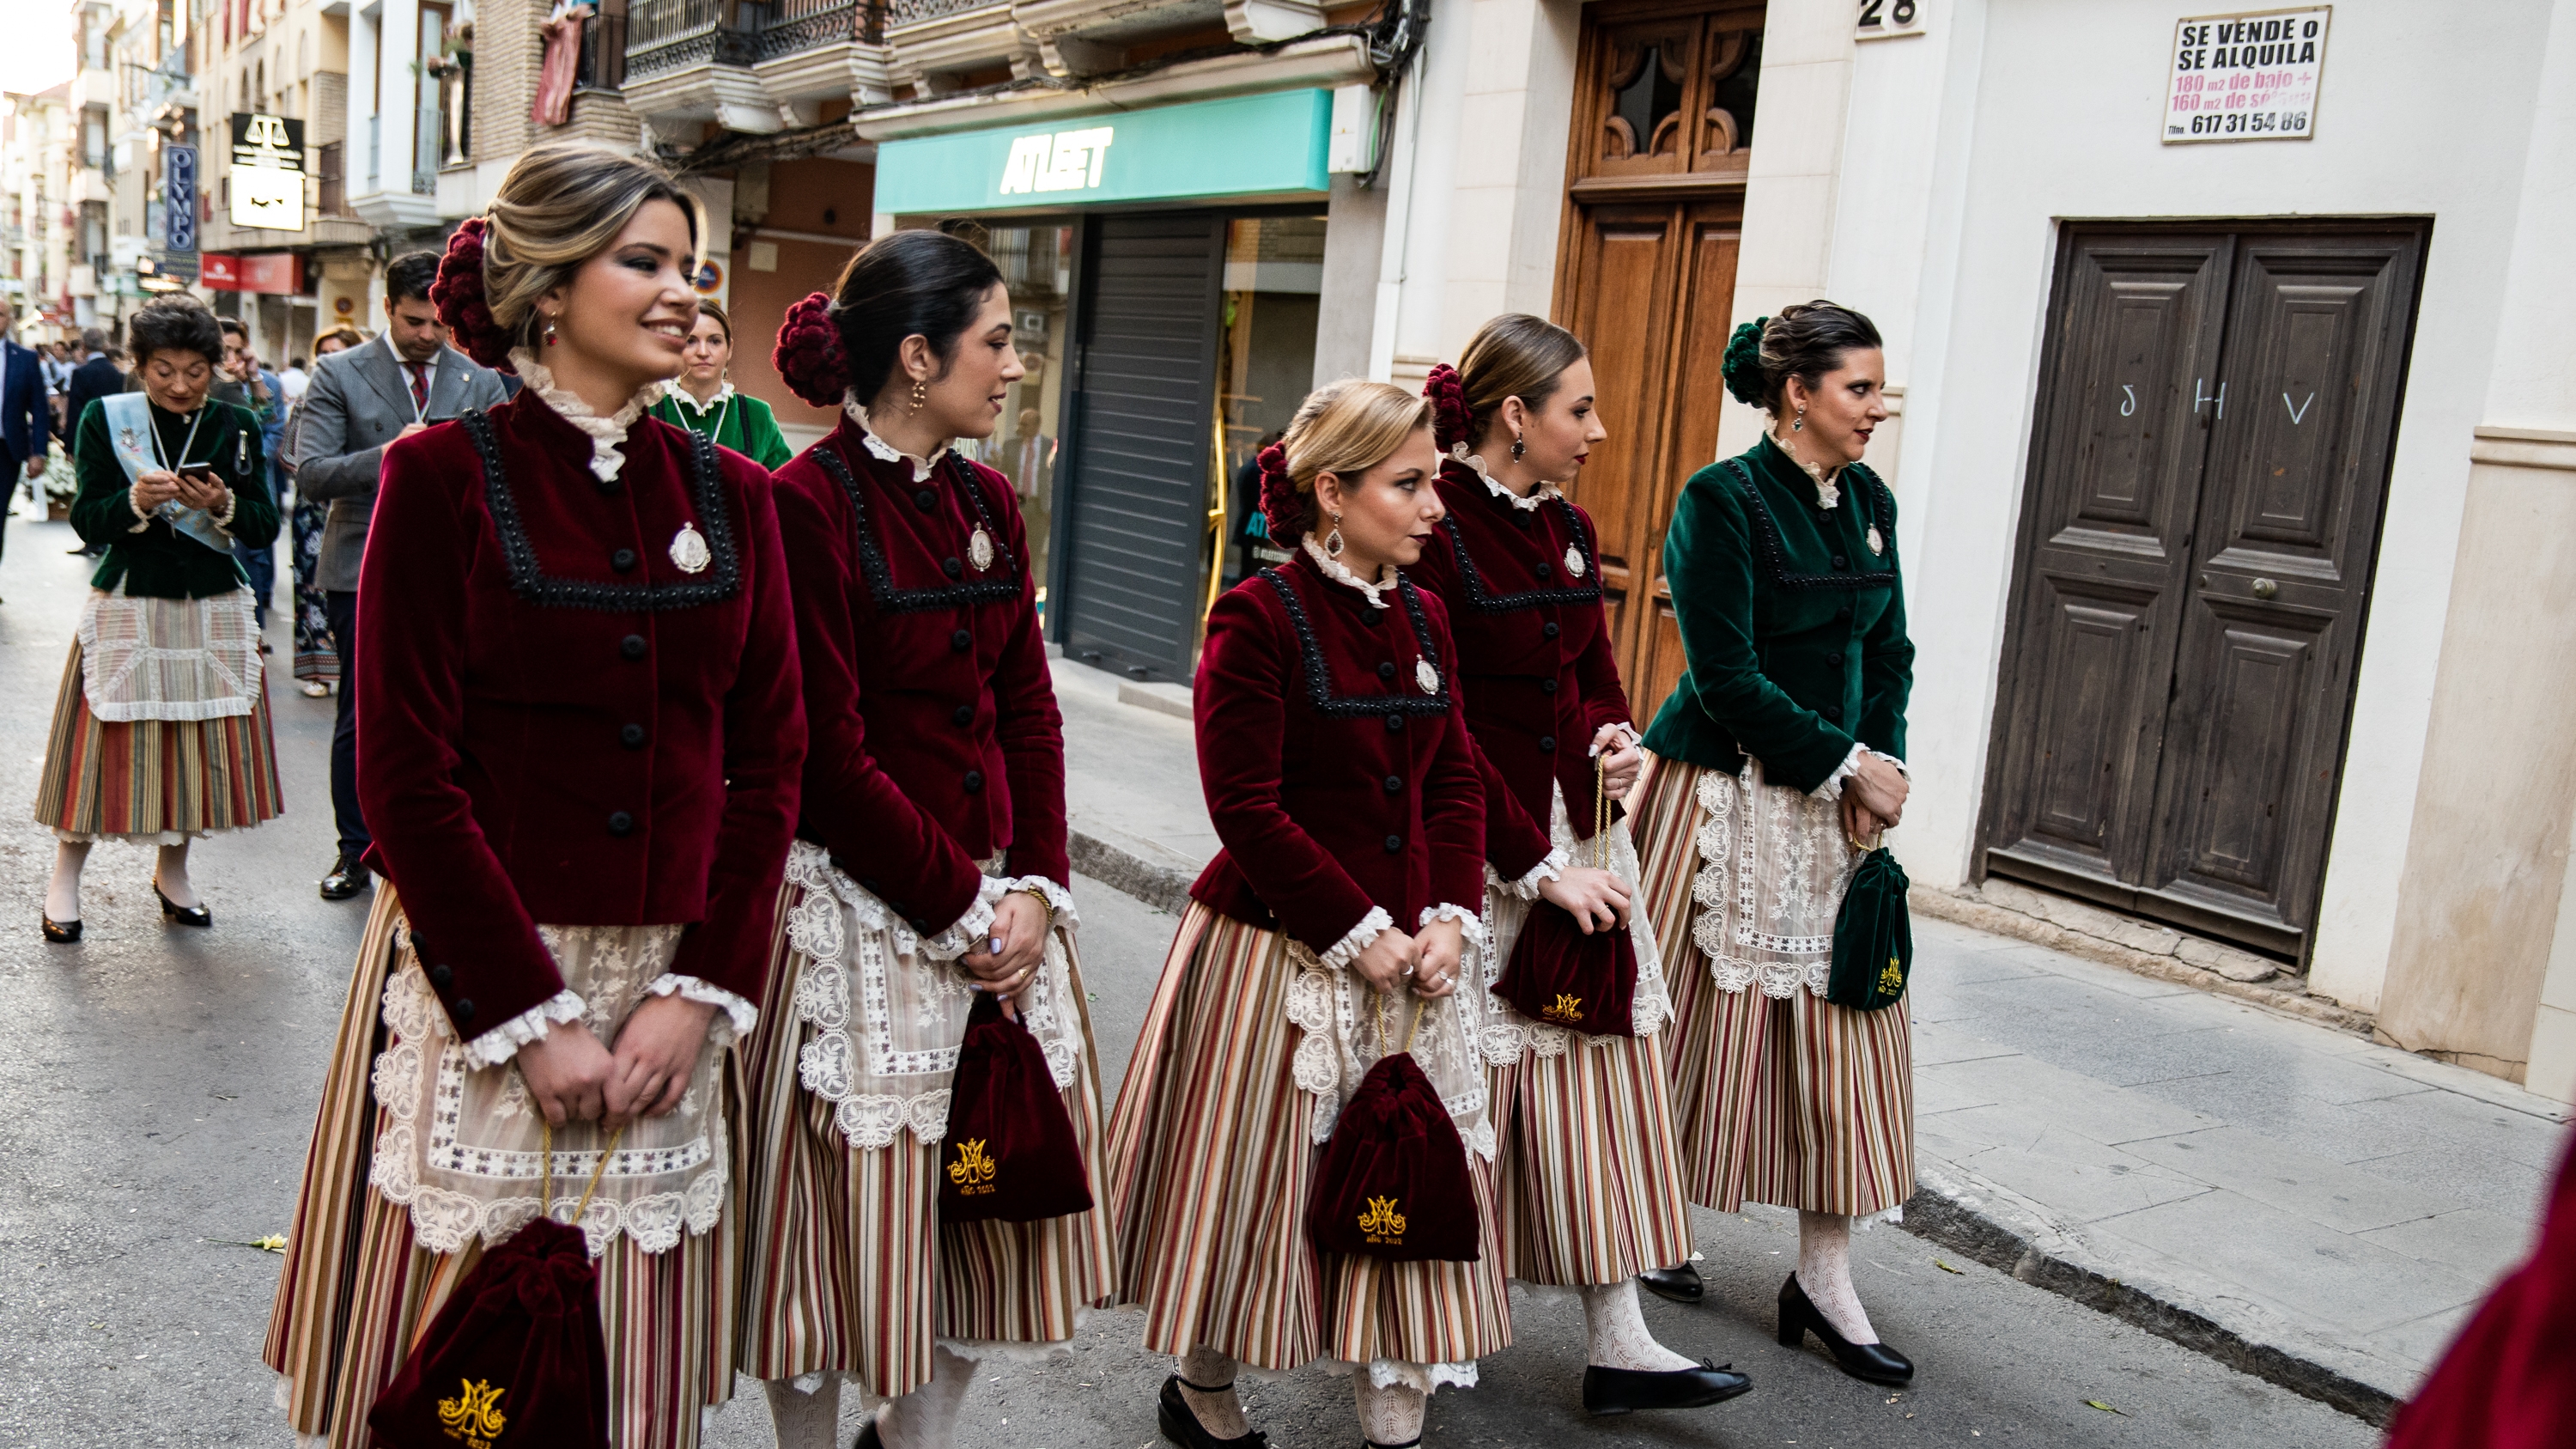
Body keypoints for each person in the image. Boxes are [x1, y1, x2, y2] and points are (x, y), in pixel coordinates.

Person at [262, 141, 808, 1449]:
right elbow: (404, 773)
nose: (684, 290)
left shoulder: (737, 493)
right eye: (646, 261)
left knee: (623, 1373)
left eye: (693, 264)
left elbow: (769, 757)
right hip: (488, 983)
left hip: (674, 988)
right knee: (462, 1374)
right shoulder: (439, 477)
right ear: (548, 293)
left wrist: (700, 990)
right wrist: (528, 1014)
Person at [737, 230, 1113, 1449]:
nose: (1014, 365)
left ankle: (914, 1437)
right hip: (862, 908)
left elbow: (1027, 707)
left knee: (978, 1211)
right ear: (916, 355)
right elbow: (823, 756)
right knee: (840, 1231)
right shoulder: (802, 505)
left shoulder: (987, 497)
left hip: (997, 909)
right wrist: (961, 907)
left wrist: (1042, 887)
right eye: (997, 340)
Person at [1104, 380, 1506, 1449]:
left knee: (1410, 1184)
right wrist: (1353, 927)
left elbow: (1457, 781)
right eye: (1410, 485)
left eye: (1433, 483)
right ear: (1332, 491)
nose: (1435, 506)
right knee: (1257, 1193)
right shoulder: (1257, 615)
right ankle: (1202, 1386)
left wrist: (1453, 915)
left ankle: (1394, 1422)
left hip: (1417, 953)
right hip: (1279, 950)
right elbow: (1245, 804)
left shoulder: (1424, 613)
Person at [1404, 317, 1746, 1416]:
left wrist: (1616, 738)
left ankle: (1622, 1339)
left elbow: (1594, 673)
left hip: (1580, 837)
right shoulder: (1434, 527)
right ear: (1516, 416)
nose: (1598, 430)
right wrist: (1532, 861)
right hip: (1484, 849)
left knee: (1597, 1084)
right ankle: (1423, 1329)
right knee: (1466, 1093)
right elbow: (1440, 727)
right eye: (1579, 410)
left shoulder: (1566, 526)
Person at [1625, 302, 1917, 1388]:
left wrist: (1877, 773)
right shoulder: (1721, 500)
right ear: (1798, 393)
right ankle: (1650, 1224)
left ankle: (1824, 1277)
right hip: (1718, 795)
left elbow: (1889, 649)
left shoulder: (1873, 503)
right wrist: (1840, 761)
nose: (1876, 408)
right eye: (1859, 389)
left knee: (1847, 1039)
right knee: (1683, 1027)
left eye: (1879, 389)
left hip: (1837, 809)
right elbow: (1723, 673)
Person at [32, 295, 282, 941]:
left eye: (196, 371)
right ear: (138, 365)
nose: (179, 385)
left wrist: (226, 502)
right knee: (100, 748)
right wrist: (132, 500)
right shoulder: (104, 418)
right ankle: (64, 879)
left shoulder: (238, 422)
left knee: (196, 749)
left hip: (212, 603)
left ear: (215, 366)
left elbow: (264, 523)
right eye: (163, 369)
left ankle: (174, 872)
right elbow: (88, 517)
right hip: (130, 599)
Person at [291, 250, 509, 902]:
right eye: (415, 322)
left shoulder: (482, 379)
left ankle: (438, 844)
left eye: (438, 324)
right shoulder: (338, 371)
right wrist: (393, 455)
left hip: (459, 567)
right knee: (363, 716)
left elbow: (504, 476)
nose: (428, 336)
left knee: (455, 712)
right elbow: (312, 473)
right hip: (361, 563)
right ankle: (355, 849)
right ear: (386, 309)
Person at [278, 326, 366, 697]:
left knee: (357, 591)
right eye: (324, 352)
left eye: (339, 351)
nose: (329, 359)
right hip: (314, 510)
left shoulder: (370, 399)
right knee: (312, 586)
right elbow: (289, 455)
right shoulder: (310, 400)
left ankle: (354, 668)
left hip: (357, 505)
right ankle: (315, 668)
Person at [647, 298, 791, 468]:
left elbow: (786, 486)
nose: (703, 352)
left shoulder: (758, 415)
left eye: (714, 341)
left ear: (729, 349)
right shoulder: (649, 410)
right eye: (691, 341)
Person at [214, 318, 286, 633]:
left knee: (257, 556)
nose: (231, 360)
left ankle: (254, 628)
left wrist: (253, 375)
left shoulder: (266, 382)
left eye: (238, 351)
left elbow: (271, 427)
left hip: (254, 480)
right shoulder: (207, 382)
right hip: (216, 487)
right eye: (223, 351)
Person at [0, 297, 58, 584]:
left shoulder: (24, 359)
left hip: (5, 451)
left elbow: (39, 406)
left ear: (9, 320)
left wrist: (39, 453)